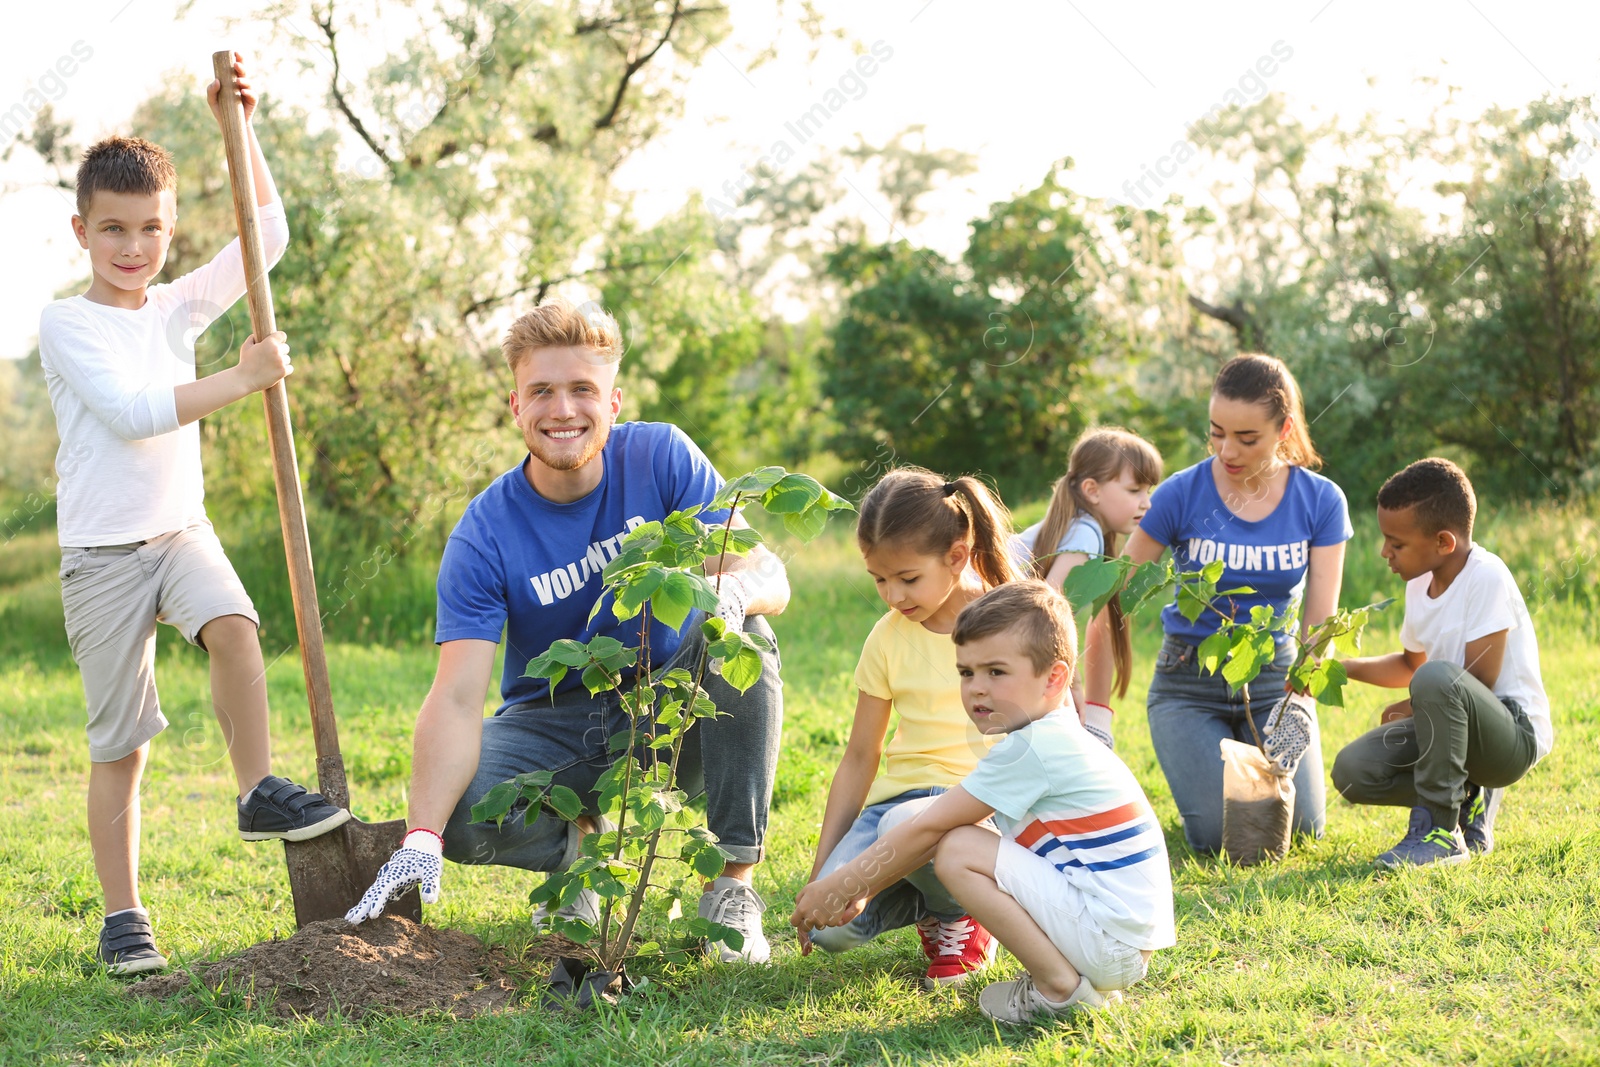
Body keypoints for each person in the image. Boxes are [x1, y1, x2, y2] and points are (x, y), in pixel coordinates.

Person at [344, 297, 789, 963]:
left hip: (675, 719)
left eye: (583, 389)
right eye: (541, 391)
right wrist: (423, 835)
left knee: (744, 635)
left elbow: (766, 572)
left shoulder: (662, 456)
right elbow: (458, 695)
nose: (562, 410)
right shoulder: (485, 531)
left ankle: (730, 886)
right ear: (515, 406)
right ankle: (582, 855)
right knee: (464, 808)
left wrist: (736, 588)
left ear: (613, 402)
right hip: (560, 728)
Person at [37, 56, 349, 976]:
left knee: (238, 629)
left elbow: (271, 232)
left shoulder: (176, 306)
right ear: (82, 230)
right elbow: (136, 414)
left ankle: (257, 791)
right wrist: (243, 377)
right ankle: (124, 915)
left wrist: (236, 126)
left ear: (170, 227)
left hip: (180, 531)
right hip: (100, 554)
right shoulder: (69, 325)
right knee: (121, 745)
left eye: (152, 230)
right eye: (115, 230)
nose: (134, 248)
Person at [792, 581, 1175, 1025]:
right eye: (966, 672)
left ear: (1055, 677)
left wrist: (847, 884)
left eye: (996, 672)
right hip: (1115, 939)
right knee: (938, 832)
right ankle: (1072, 981)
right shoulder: (1047, 733)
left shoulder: (1033, 748)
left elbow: (931, 828)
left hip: (1110, 942)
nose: (976, 688)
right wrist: (861, 884)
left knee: (957, 849)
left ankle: (1060, 989)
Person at [1116, 354, 1352, 855]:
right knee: (1221, 838)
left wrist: (1303, 699)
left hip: (1274, 683)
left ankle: (1248, 760)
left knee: (1303, 827)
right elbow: (1123, 587)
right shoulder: (1181, 493)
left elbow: (1320, 618)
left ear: (1284, 429)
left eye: (1247, 438)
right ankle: (1215, 768)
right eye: (1217, 432)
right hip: (1187, 683)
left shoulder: (1321, 501)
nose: (1228, 450)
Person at [799, 468, 1020, 989]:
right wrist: (821, 872)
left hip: (979, 808)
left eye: (907, 578)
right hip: (894, 810)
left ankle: (963, 916)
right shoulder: (887, 638)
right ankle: (935, 900)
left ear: (957, 555)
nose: (893, 595)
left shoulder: (1010, 622)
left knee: (909, 822)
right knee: (832, 929)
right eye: (879, 579)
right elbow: (859, 756)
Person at [1331, 459, 1552, 866]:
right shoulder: (1419, 584)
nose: (1385, 553)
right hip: (1451, 719)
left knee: (1435, 679)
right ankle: (1466, 798)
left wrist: (1409, 707)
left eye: (1396, 544)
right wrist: (1342, 668)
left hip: (1511, 735)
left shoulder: (1486, 577)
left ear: (1444, 542)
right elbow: (1411, 665)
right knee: (1353, 770)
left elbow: (1477, 679)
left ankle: (1439, 833)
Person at [1013, 427, 1163, 748]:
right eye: (1135, 490)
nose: (1147, 503)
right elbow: (1048, 612)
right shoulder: (1085, 535)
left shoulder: (1081, 527)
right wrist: (1073, 685)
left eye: (1149, 491)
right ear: (1092, 490)